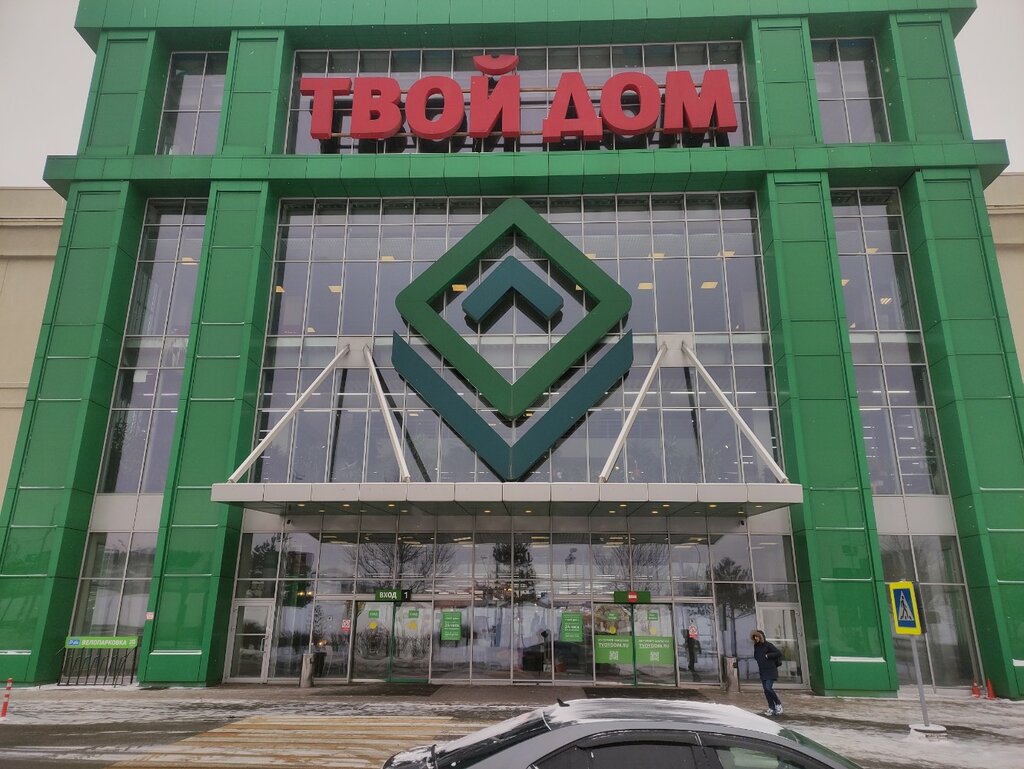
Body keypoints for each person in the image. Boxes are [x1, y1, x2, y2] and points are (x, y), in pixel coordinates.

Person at [751, 629, 783, 716]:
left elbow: (778, 653)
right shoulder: (756, 646)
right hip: (763, 670)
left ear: (761, 637)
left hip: (770, 670)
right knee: (766, 690)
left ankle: (778, 704)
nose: (756, 638)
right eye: (754, 637)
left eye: (757, 636)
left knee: (768, 688)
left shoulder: (768, 645)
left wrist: (768, 655)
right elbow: (756, 656)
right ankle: (771, 707)